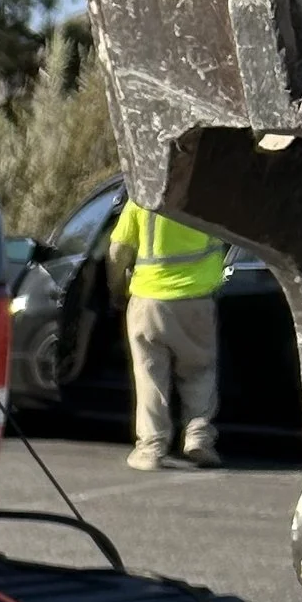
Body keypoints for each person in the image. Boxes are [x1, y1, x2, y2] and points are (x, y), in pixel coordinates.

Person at [107, 199, 226, 471]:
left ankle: (151, 448)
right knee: (199, 370)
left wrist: (115, 288)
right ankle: (199, 438)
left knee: (150, 376)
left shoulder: (141, 201)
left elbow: (118, 250)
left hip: (148, 300)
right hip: (197, 299)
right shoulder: (205, 199)